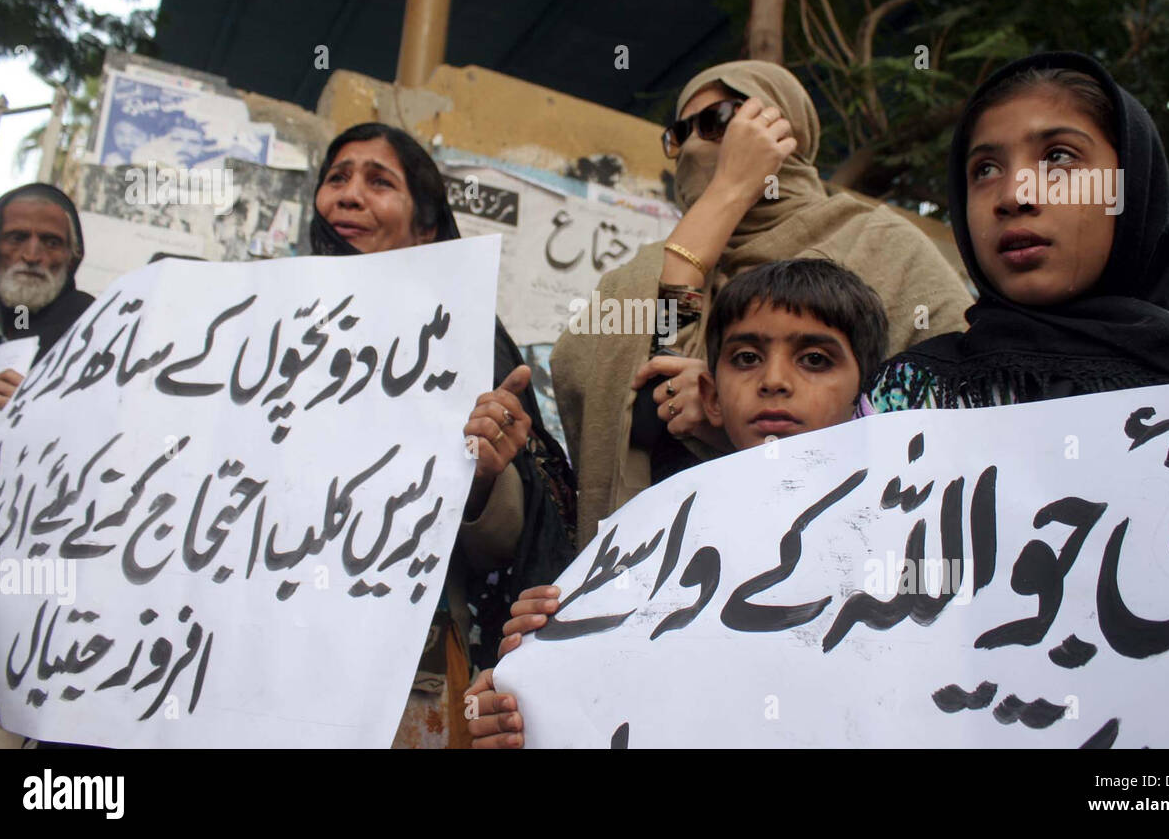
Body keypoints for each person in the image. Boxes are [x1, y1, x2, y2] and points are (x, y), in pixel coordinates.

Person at [464, 257, 890, 747]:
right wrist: (529, 681)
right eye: (746, 358)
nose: (774, 380)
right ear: (710, 396)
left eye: (814, 359)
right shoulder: (642, 548)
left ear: (866, 389)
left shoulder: (910, 532)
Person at [552, 60, 972, 551]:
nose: (694, 145)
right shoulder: (645, 275)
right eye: (679, 134)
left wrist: (734, 413)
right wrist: (724, 198)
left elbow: (960, 408)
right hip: (667, 564)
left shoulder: (880, 243)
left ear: (784, 132)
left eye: (717, 122)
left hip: (841, 555)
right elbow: (645, 371)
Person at [308, 122, 577, 748]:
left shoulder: (462, 337)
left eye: (379, 182)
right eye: (337, 178)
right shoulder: (268, 333)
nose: (350, 195)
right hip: (274, 646)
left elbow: (507, 545)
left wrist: (483, 479)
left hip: (413, 671)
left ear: (427, 227)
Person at [865, 50, 1169, 411]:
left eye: (1058, 157)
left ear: (1133, 186)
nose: (1014, 196)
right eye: (985, 169)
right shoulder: (907, 398)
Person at [0, 182, 96, 747]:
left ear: (73, 255)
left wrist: (46, 411)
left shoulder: (102, 331)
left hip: (37, 590)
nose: (32, 254)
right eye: (16, 237)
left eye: (51, 242)